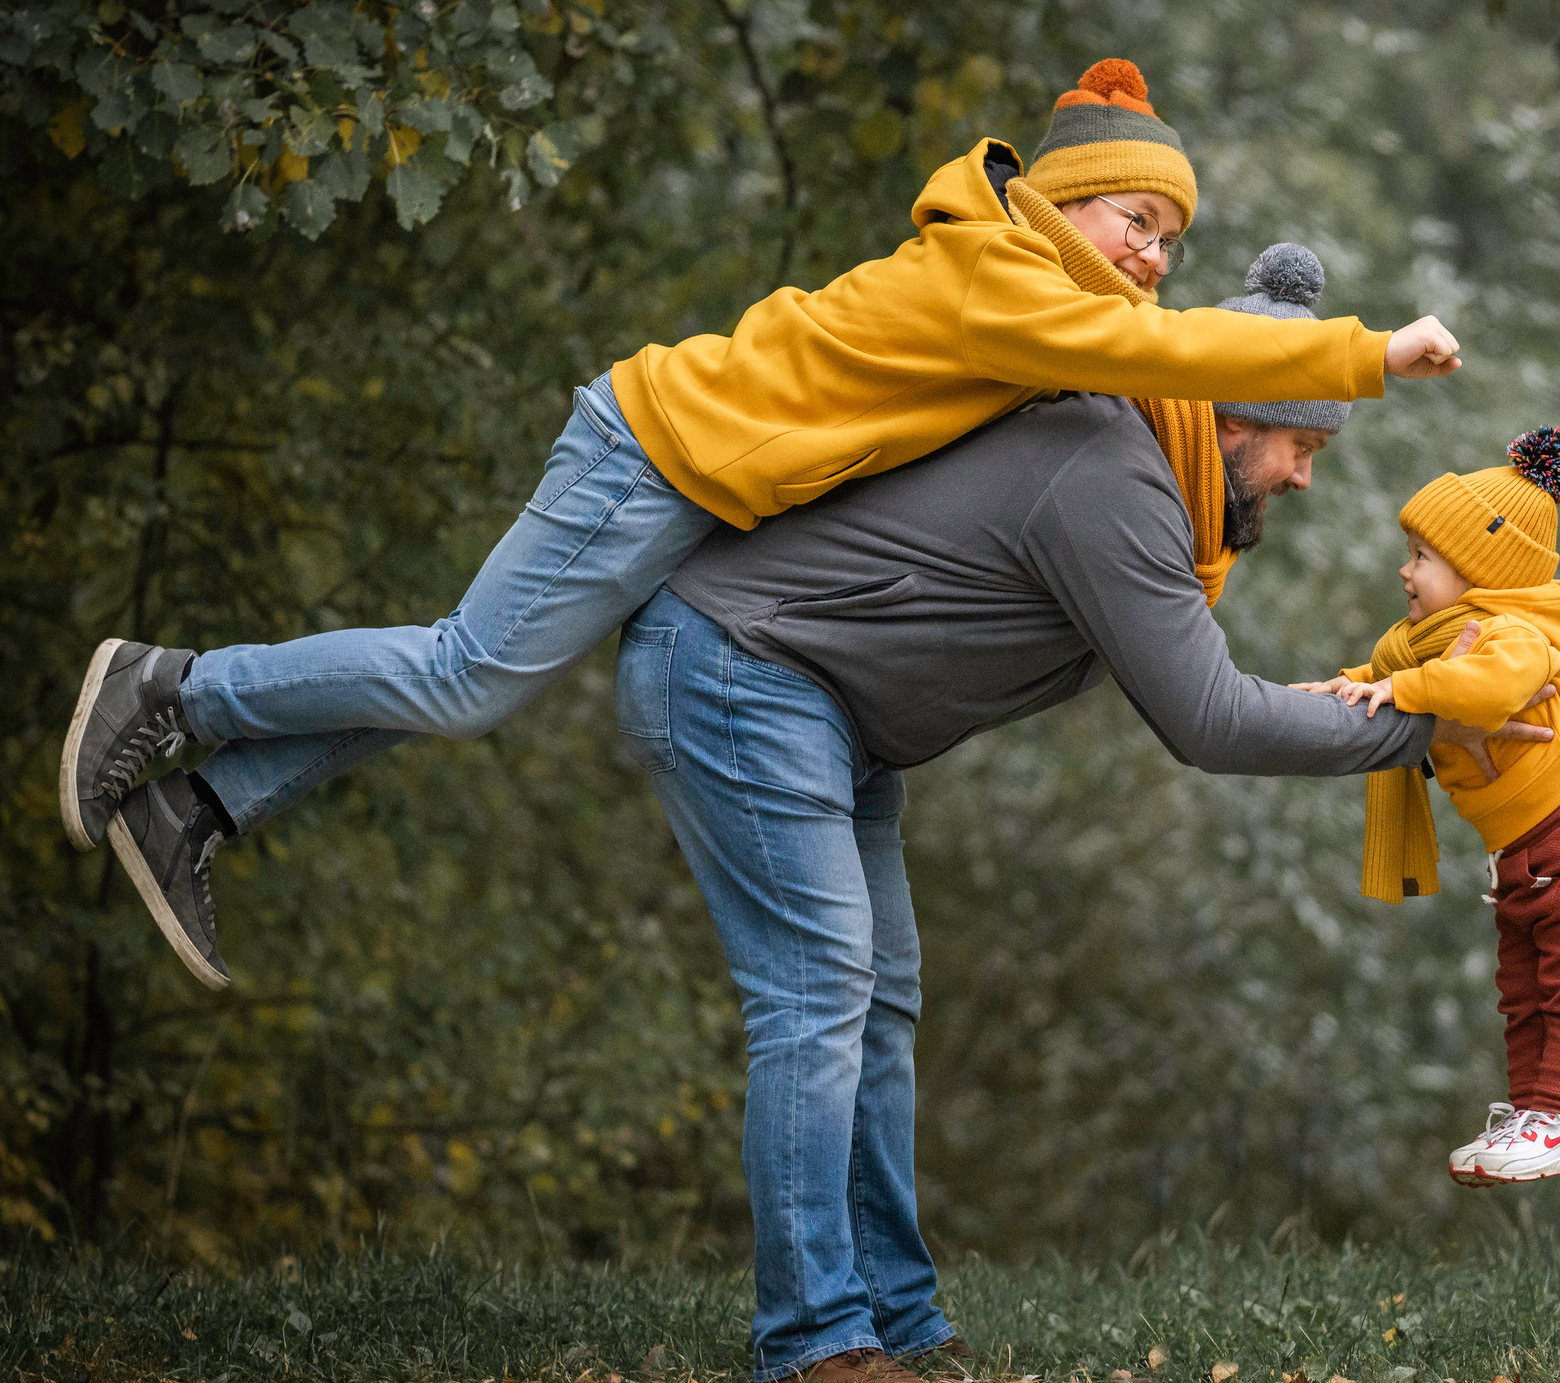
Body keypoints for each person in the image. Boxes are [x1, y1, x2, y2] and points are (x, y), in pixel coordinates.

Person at [57, 59, 1464, 990]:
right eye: (1132, 219)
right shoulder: (1003, 279)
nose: (1151, 255)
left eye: (1168, 234)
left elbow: (1155, 367)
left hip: (708, 487)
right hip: (654, 452)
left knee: (480, 676)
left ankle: (202, 804)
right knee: (467, 673)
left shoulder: (1055, 305)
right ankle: (174, 687)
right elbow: (1180, 355)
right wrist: (1365, 353)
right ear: (1058, 201)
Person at [626, 247, 1553, 1383]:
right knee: (820, 996)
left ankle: (896, 1322)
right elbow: (1208, 718)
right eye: (1299, 449)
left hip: (824, 705)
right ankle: (815, 1336)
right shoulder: (1111, 473)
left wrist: (1408, 696)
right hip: (744, 671)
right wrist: (1425, 728)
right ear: (1230, 421)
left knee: (878, 1003)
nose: (1304, 480)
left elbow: (1210, 691)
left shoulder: (1150, 477)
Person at [1292, 429, 1560, 1187]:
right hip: (1524, 857)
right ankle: (1530, 1115)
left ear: (1482, 570)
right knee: (1522, 993)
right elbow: (1399, 676)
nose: (1405, 570)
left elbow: (1483, 690)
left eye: (1421, 555)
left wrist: (1400, 690)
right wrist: (1352, 685)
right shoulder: (1431, 648)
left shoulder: (1514, 637)